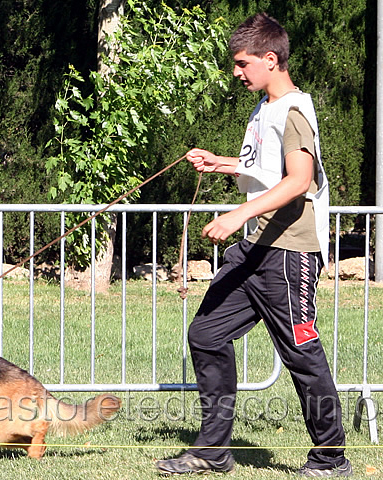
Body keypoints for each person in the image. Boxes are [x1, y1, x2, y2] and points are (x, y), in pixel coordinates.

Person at [155, 13, 351, 477]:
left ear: (271, 59)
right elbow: (266, 171)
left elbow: (299, 181)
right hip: (255, 250)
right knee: (205, 335)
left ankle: (331, 456)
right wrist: (221, 163)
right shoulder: (263, 108)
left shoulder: (294, 111)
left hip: (290, 254)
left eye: (243, 64)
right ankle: (212, 450)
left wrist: (239, 213)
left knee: (302, 355)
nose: (237, 73)